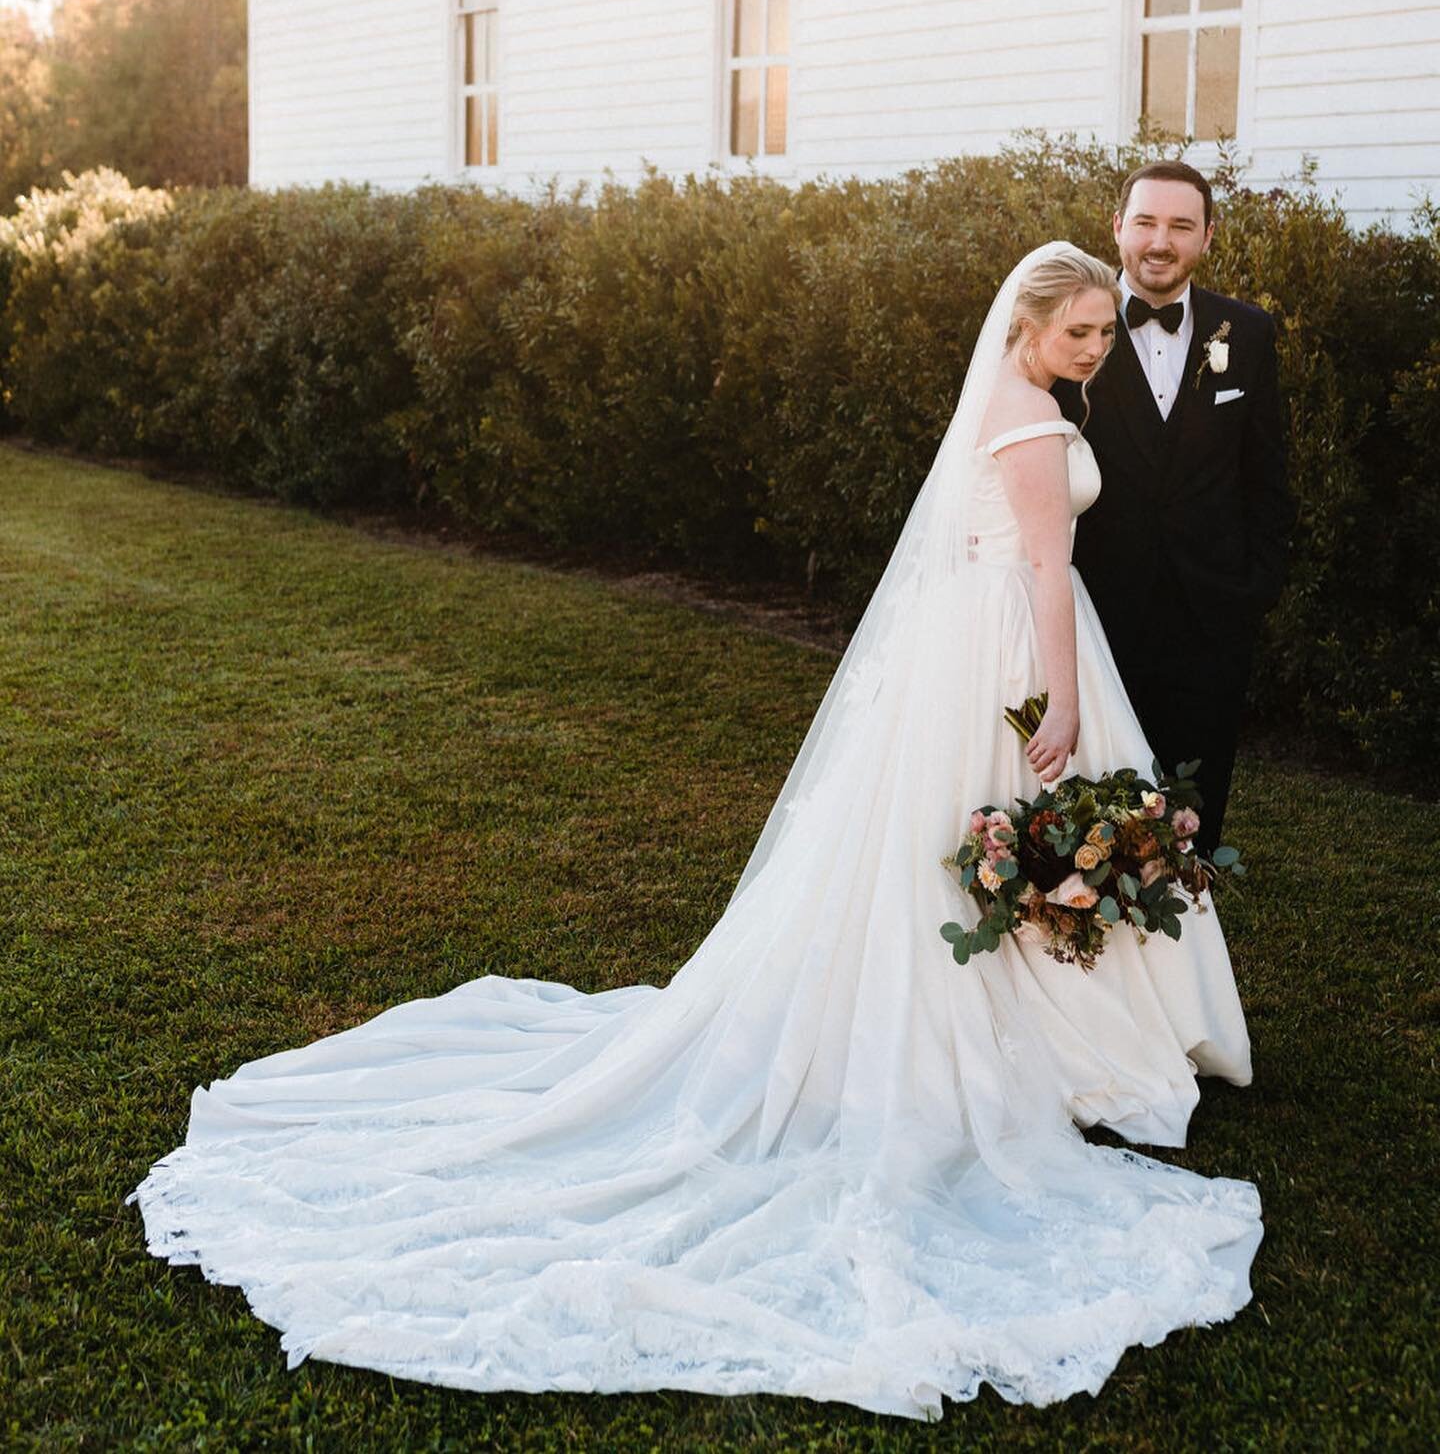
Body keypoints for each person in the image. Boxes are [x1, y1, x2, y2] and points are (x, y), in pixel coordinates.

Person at [131, 244, 1261, 1422]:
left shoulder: (1007, 395)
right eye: (1079, 332)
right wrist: (1065, 701)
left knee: (960, 849)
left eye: (1100, 333)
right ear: (1030, 328)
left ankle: (1029, 1012)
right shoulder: (1031, 421)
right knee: (1009, 829)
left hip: (967, 641)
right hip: (1017, 645)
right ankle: (1054, 1033)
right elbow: (1041, 564)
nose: (1095, 348)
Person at [1055, 161, 1293, 858]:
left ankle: (1182, 952)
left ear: (1208, 236)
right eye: (1147, 222)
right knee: (1088, 811)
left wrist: (1254, 589)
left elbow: (1267, 476)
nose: (1161, 242)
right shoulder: (1070, 329)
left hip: (1211, 617)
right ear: (1117, 228)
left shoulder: (1246, 334)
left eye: (1181, 225)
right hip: (1096, 615)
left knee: (1193, 813)